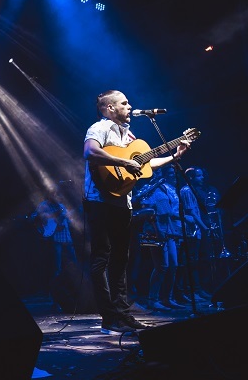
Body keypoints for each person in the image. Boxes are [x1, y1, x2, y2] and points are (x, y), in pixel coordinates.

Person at [83, 90, 190, 334]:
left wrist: (174, 156)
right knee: (102, 257)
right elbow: (90, 152)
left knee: (121, 258)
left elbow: (145, 163)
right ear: (110, 108)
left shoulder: (128, 135)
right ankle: (108, 317)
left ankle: (122, 313)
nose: (130, 106)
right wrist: (122, 163)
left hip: (123, 201)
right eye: (124, 103)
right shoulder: (99, 128)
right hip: (99, 199)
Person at [140, 165, 187, 311]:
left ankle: (168, 298)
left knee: (173, 265)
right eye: (155, 170)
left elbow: (168, 212)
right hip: (156, 232)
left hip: (169, 231)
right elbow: (148, 212)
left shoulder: (165, 188)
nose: (158, 173)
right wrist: (157, 230)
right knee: (162, 266)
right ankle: (152, 299)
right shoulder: (149, 189)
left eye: (159, 170)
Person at [179, 167, 213, 299]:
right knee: (191, 261)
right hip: (190, 231)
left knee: (195, 261)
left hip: (196, 230)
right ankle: (192, 291)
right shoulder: (187, 190)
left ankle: (197, 290)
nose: (202, 178)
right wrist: (204, 227)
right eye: (199, 176)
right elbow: (191, 212)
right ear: (191, 177)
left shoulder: (192, 190)